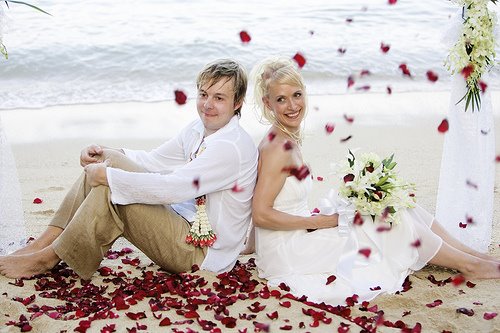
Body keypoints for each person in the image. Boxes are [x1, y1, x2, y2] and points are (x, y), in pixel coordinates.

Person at [250, 56, 500, 306]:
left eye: (296, 95)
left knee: (397, 204)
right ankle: (470, 265)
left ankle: (474, 255)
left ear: (305, 93)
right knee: (390, 221)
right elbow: (261, 214)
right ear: (268, 103)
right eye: (281, 99)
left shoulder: (284, 136)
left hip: (296, 233)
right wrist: (323, 221)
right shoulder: (278, 148)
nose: (292, 105)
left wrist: (253, 244)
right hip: (291, 251)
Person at [0, 59, 258, 280]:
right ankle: (44, 243)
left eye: (219, 98)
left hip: (201, 253)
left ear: (238, 103)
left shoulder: (230, 147)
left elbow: (173, 188)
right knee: (106, 163)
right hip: (183, 224)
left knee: (108, 188)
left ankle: (47, 258)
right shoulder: (198, 129)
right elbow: (154, 161)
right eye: (203, 94)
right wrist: (105, 153)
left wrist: (109, 177)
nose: (207, 105)